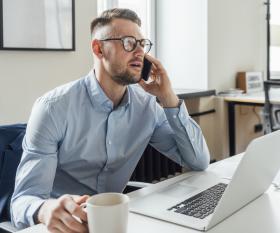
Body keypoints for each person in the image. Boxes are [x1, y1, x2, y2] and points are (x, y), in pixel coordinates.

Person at [10, 8, 210, 232]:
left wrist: (168, 96)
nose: (139, 53)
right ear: (98, 48)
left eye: (142, 44)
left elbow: (198, 161)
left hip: (115, 223)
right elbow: (22, 202)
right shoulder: (53, 109)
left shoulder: (147, 107)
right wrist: (45, 210)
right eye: (128, 42)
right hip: (64, 226)